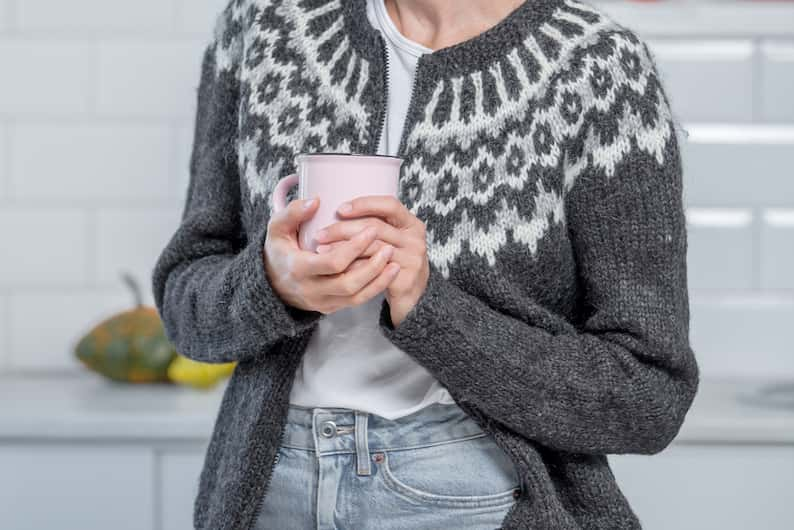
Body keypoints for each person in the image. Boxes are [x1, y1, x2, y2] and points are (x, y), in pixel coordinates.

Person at [152, 0, 700, 528]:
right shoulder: (264, 25)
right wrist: (272, 286)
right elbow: (186, 300)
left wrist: (429, 308)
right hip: (269, 486)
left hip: (476, 488)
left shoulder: (597, 66)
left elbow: (647, 395)